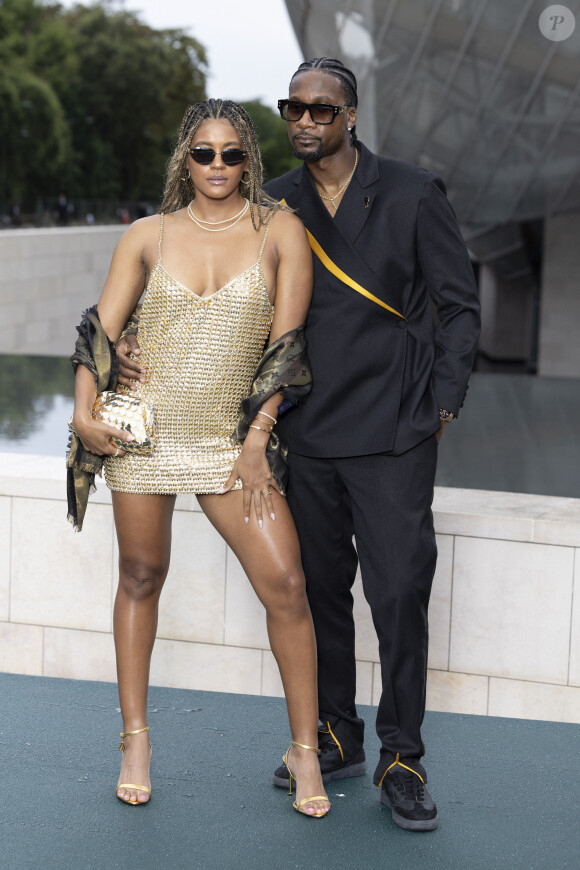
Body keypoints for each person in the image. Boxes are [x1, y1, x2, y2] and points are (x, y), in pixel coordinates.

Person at [119, 59, 481, 832]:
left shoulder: (415, 192)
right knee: (319, 593)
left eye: (324, 109)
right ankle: (336, 734)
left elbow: (459, 306)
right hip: (304, 430)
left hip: (394, 429)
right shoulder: (270, 203)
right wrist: (126, 351)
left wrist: (442, 404)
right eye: (295, 108)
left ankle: (403, 756)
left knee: (399, 595)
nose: (307, 121)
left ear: (352, 114)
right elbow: (215, 301)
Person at [67, 99, 330, 818]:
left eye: (232, 153)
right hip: (144, 434)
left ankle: (304, 749)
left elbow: (288, 350)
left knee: (286, 583)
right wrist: (84, 411)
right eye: (203, 153)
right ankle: (135, 738)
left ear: (251, 157)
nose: (217, 166)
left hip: (230, 441)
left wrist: (256, 441)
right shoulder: (148, 235)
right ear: (185, 158)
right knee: (142, 574)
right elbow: (100, 328)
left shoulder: (281, 230)